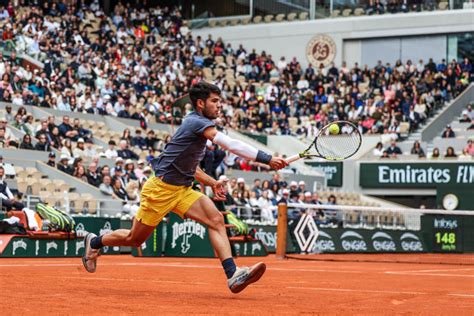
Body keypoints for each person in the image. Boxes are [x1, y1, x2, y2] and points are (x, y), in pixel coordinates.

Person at [82, 82, 288, 293]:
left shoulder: (198, 127)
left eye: (220, 101)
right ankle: (95, 241)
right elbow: (229, 144)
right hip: (160, 190)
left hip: (183, 190)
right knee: (134, 239)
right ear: (200, 103)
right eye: (214, 101)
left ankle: (233, 275)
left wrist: (213, 182)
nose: (219, 106)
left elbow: (192, 168)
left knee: (216, 219)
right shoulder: (196, 122)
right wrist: (267, 158)